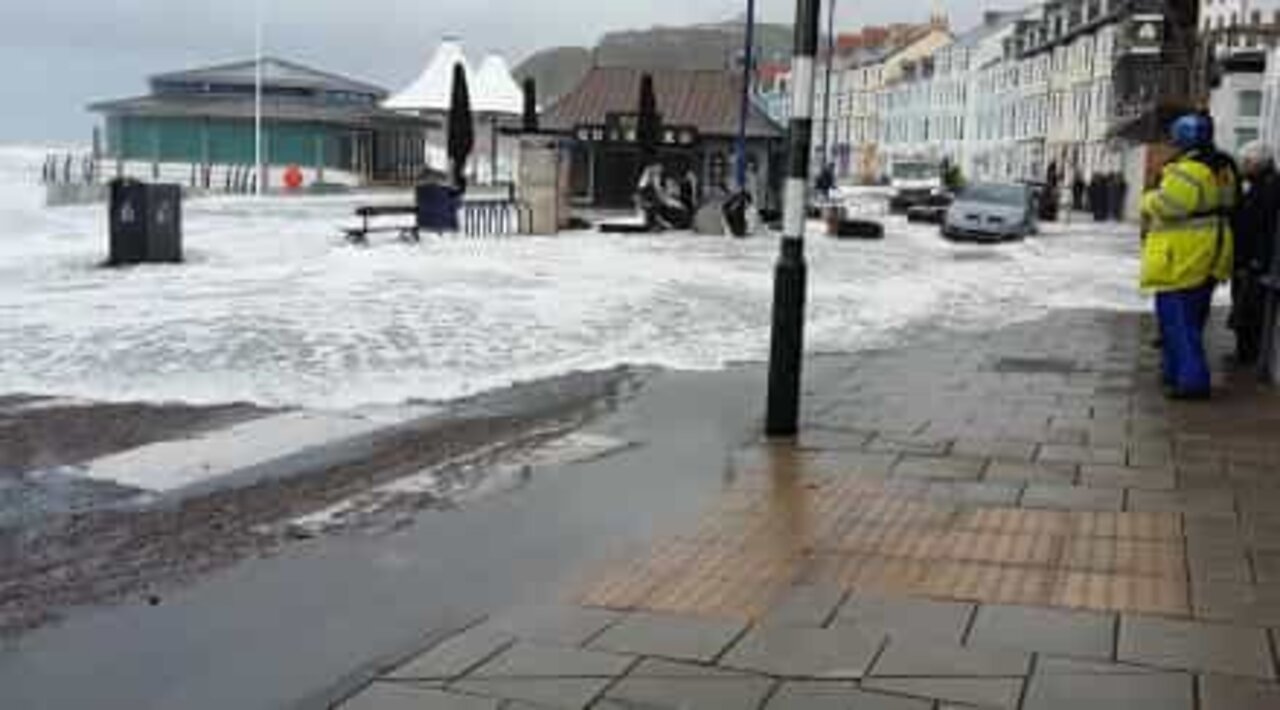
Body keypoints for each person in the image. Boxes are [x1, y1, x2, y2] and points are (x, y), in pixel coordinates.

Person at [1140, 113, 1240, 399]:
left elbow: (1169, 205)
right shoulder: (1224, 166)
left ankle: (1191, 382)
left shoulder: (1189, 169)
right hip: (1212, 250)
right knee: (1192, 320)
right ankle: (1176, 373)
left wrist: (1148, 198)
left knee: (1179, 323)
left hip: (1184, 255)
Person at [1230, 141, 1280, 366]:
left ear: (1259, 164)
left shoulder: (1269, 187)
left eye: (1247, 163)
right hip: (1249, 258)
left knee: (1251, 310)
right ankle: (1245, 353)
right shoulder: (1258, 185)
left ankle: (1250, 356)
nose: (1243, 167)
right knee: (1244, 306)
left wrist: (1257, 260)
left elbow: (1264, 226)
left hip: (1257, 261)